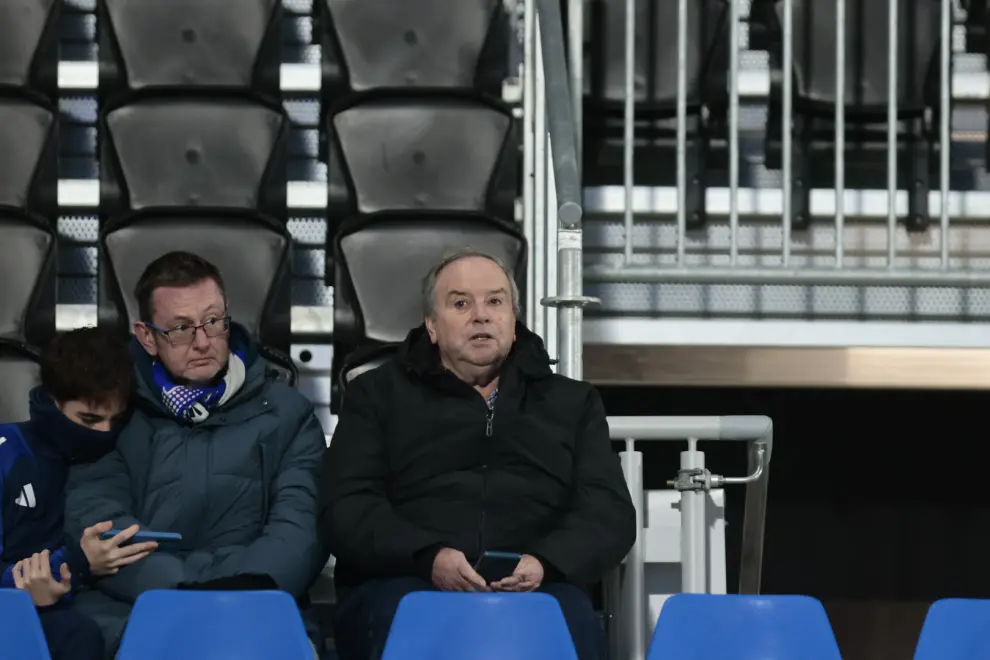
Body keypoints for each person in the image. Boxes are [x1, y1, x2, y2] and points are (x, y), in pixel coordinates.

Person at [320, 249, 636, 660]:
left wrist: (546, 562)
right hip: (406, 582)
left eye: (495, 301)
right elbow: (345, 508)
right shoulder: (376, 396)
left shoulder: (571, 403)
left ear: (513, 319)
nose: (481, 315)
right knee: (404, 615)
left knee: (567, 617)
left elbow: (608, 513)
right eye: (461, 303)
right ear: (431, 326)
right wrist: (428, 557)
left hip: (540, 584)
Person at [65, 251, 328, 658]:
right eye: (181, 328)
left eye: (213, 321)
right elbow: (101, 521)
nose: (203, 341)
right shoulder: (111, 410)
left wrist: (237, 593)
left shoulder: (287, 414)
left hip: (260, 604)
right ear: (147, 336)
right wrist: (183, 593)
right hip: (136, 607)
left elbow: (298, 534)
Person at [0, 326, 157, 660]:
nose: (102, 433)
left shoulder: (118, 457)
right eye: (88, 418)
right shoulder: (8, 455)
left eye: (114, 421)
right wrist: (68, 567)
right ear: (54, 402)